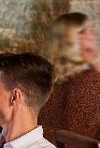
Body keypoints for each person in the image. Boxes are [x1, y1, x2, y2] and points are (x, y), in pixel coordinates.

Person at [39, 12, 100, 140]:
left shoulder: (44, 84)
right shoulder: (93, 82)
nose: (93, 35)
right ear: (71, 42)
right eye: (85, 31)